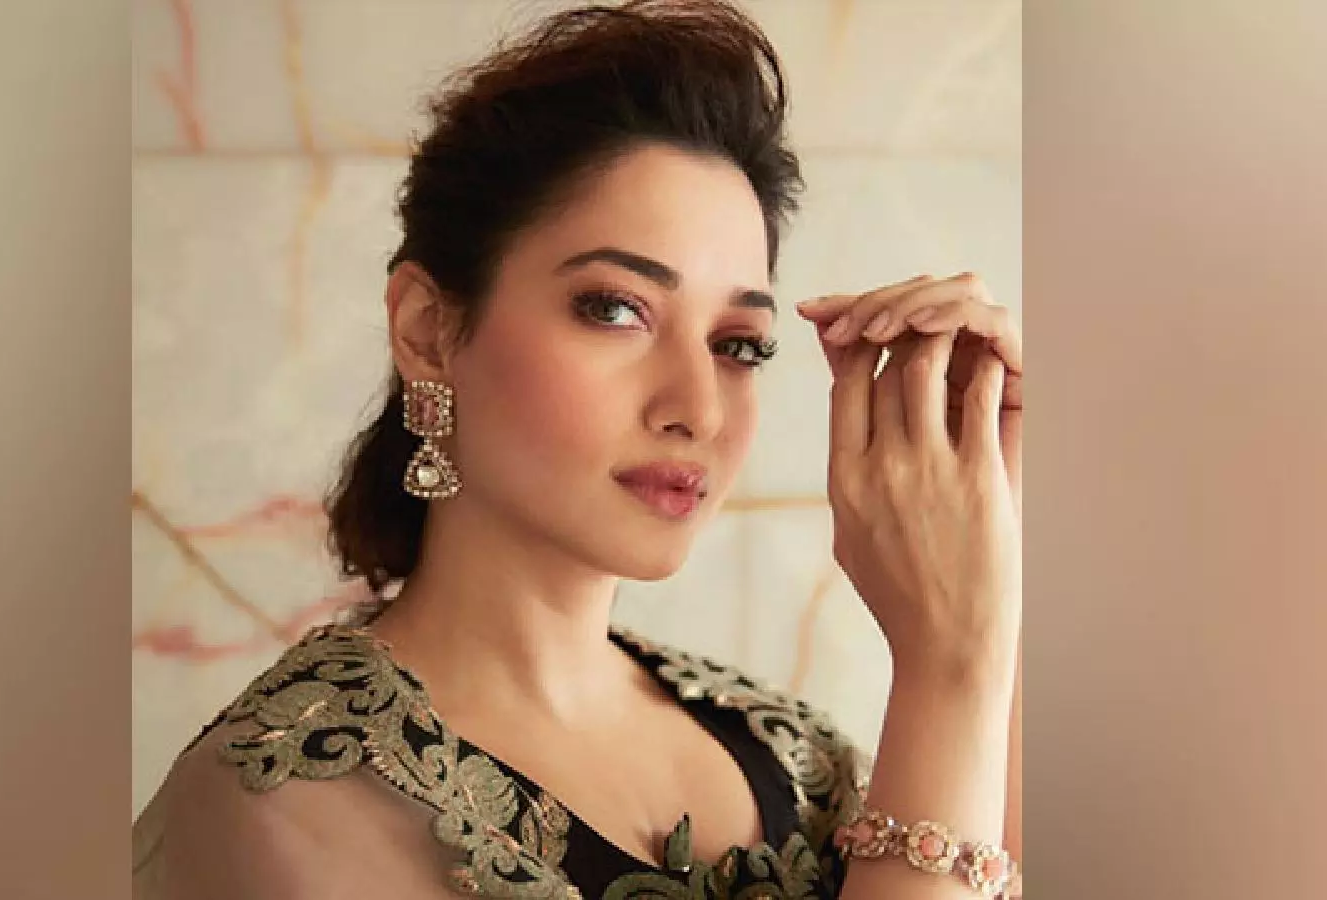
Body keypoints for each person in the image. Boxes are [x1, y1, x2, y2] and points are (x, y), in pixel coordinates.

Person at [131, 2, 1023, 897]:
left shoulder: (802, 759)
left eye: (738, 345)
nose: (698, 409)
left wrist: (1000, 545)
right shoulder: (289, 797)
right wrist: (948, 668)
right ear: (428, 329)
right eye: (616, 309)